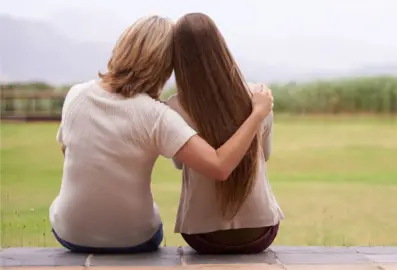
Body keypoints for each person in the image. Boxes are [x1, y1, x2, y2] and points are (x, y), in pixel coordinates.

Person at [49, 14, 274, 254]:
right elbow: (219, 166)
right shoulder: (157, 115)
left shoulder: (76, 95)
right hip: (135, 237)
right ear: (166, 65)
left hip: (69, 232)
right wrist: (257, 114)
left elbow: (68, 149)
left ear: (122, 46)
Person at [167, 12, 284, 254]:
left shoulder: (175, 107)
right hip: (260, 232)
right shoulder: (259, 97)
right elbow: (265, 154)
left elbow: (180, 164)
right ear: (221, 46)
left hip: (201, 236)